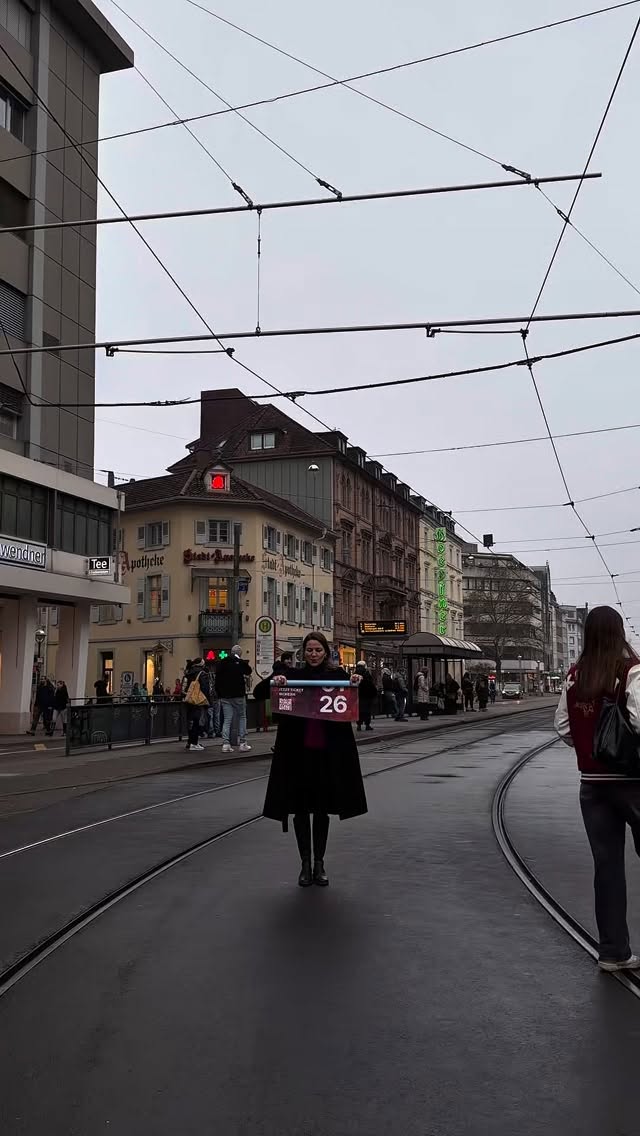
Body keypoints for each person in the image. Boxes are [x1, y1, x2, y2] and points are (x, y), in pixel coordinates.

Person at [554, 606, 640, 972]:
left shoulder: (575, 676)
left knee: (607, 868)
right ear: (619, 632)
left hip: (592, 785)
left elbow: (562, 726)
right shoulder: (631, 670)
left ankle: (613, 952)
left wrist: (593, 748)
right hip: (633, 783)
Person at [262, 631, 367, 887]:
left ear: (325, 652)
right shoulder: (293, 675)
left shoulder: (338, 676)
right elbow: (260, 690)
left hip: (326, 755)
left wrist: (359, 679)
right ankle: (305, 864)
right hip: (298, 755)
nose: (313, 654)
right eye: (309, 650)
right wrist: (276, 680)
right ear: (303, 652)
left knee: (320, 811)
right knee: (300, 811)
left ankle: (319, 863)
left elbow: (369, 693)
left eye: (318, 650)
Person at [215, 644, 252, 754]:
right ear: (239, 654)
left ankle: (226, 744)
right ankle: (243, 743)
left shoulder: (222, 662)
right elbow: (248, 671)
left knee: (227, 719)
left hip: (225, 696)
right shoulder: (239, 662)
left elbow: (217, 679)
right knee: (242, 717)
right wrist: (241, 661)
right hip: (238, 694)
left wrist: (219, 693)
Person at [183, 657, 212, 751]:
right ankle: (194, 743)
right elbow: (205, 688)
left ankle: (190, 741)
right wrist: (207, 700)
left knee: (191, 722)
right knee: (198, 721)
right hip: (198, 700)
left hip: (189, 699)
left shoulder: (188, 672)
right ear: (201, 664)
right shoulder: (202, 673)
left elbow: (184, 687)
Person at [355, 662, 377, 731]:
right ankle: (367, 725)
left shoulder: (355, 674)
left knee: (359, 711)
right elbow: (370, 684)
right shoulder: (366, 673)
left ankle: (359, 725)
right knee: (367, 711)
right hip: (367, 696)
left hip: (358, 695)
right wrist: (374, 693)